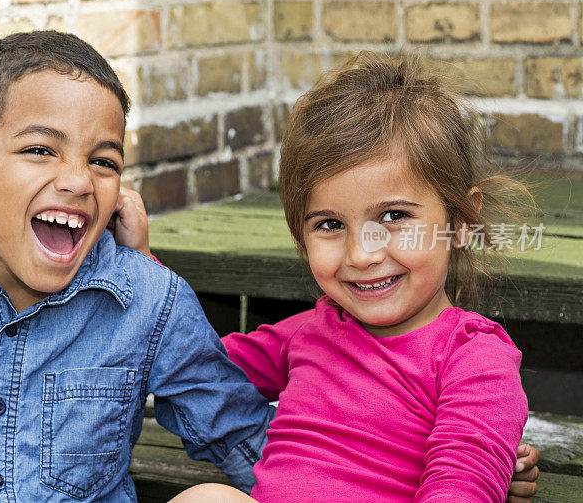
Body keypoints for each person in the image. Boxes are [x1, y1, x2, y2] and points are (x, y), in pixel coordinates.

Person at [0, 31, 275, 502]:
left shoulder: (150, 301)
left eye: (103, 161)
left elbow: (243, 440)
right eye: (40, 150)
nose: (79, 180)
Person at [168, 53, 540, 502]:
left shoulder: (473, 358)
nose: (361, 255)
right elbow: (191, 365)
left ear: (460, 221)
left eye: (394, 216)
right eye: (330, 224)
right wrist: (145, 269)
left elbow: (461, 483)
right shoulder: (310, 331)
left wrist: (492, 468)